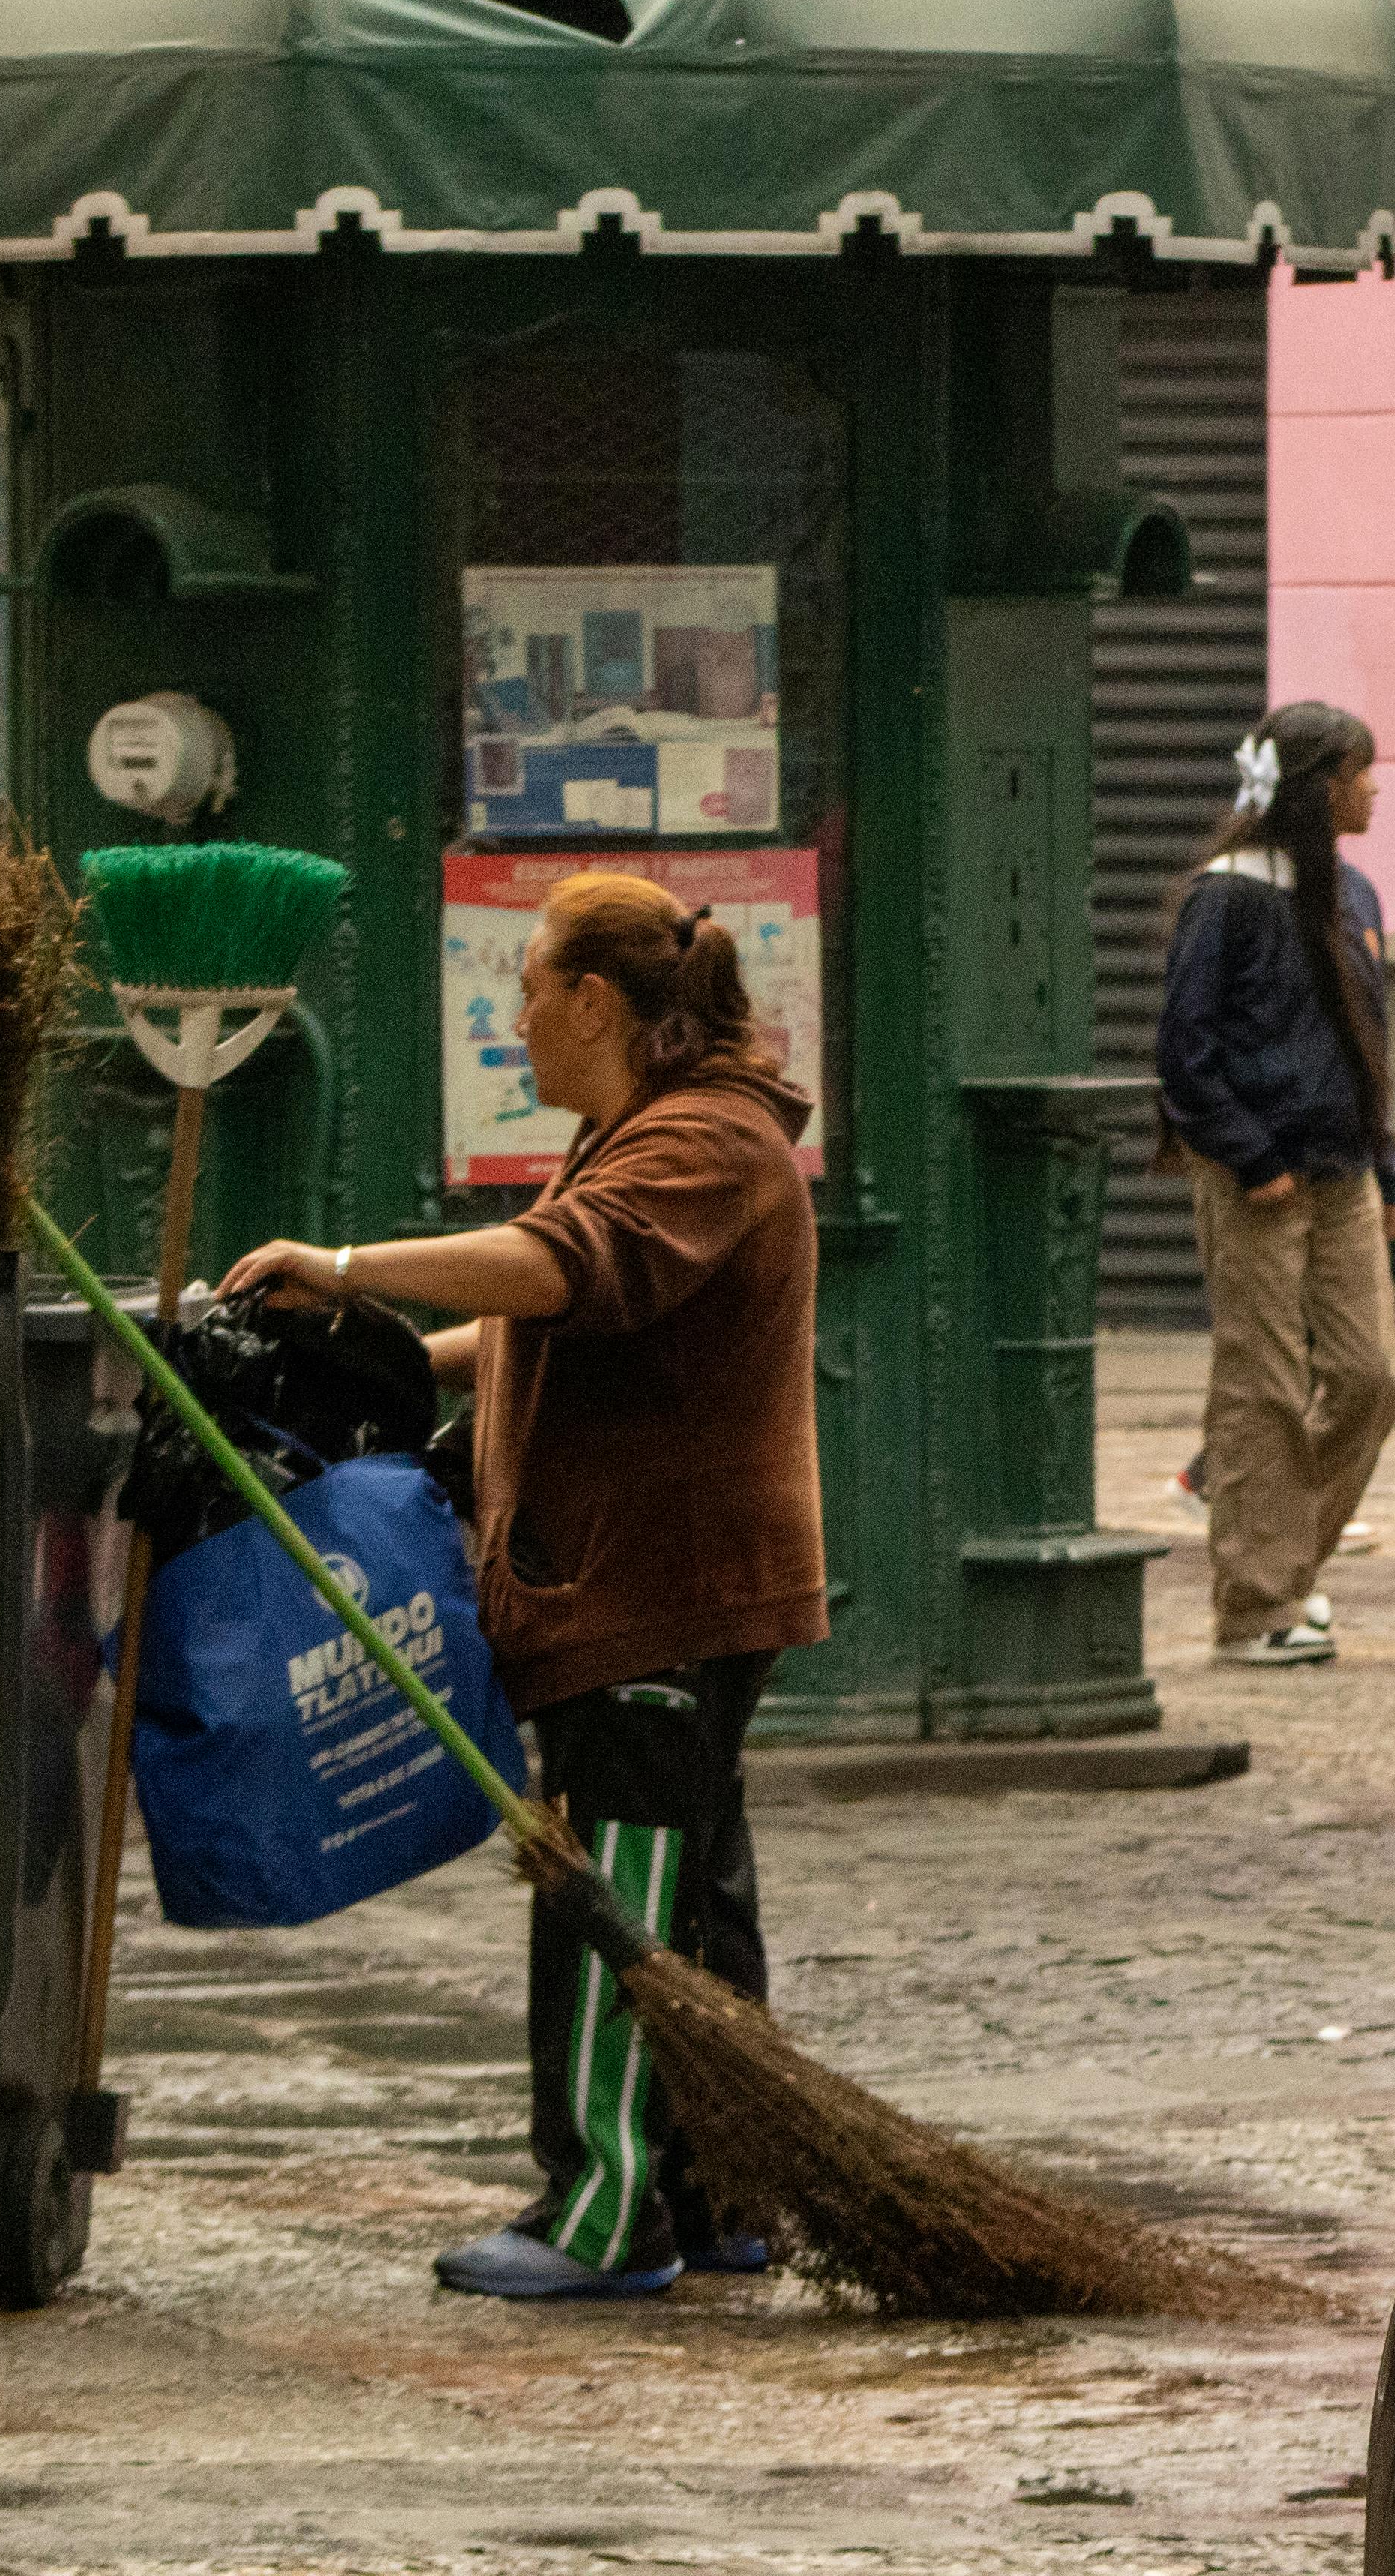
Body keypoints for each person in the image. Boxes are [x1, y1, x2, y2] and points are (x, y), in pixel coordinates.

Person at [225, 870, 826, 2303]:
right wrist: (382, 1352)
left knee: (613, 1898)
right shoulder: (636, 1132)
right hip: (656, 1581)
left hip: (660, 1583)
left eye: (529, 990)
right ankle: (721, 2192)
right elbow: (545, 1320)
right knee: (687, 1899)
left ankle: (609, 2210)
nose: (517, 1017)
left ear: (596, 1003)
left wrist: (348, 1264)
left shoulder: (705, 1142)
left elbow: (564, 1269)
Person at [1155, 699, 1395, 1666]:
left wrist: (1387, 1175)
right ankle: (1258, 1606)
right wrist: (1251, 1158)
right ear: (1320, 787)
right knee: (1261, 1386)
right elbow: (1186, 1049)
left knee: (1369, 1382)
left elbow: (1370, 1047)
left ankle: (1286, 1563)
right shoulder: (1229, 896)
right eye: (1361, 772)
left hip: (1344, 1174)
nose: (1375, 789)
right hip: (1258, 1178)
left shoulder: (1357, 896)